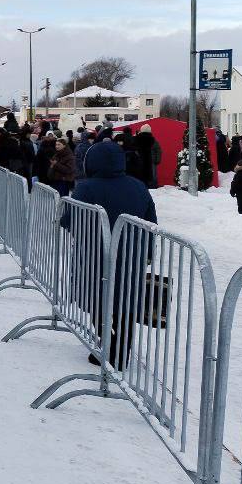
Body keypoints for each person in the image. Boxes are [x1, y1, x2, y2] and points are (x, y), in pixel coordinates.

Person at [68, 140, 158, 369]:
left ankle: (109, 344)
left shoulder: (85, 187)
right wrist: (147, 252)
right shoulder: (138, 186)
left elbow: (71, 220)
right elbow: (151, 222)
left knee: (97, 299)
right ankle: (121, 349)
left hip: (95, 257)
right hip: (131, 256)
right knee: (126, 303)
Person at [133, 124, 160, 189]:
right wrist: (157, 160)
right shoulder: (153, 140)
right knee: (152, 174)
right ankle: (152, 185)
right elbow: (158, 150)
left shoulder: (136, 139)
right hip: (151, 160)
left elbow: (133, 149)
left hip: (139, 160)